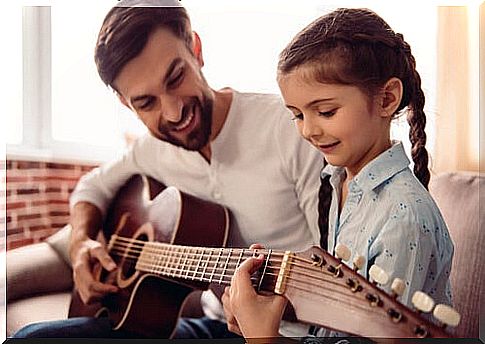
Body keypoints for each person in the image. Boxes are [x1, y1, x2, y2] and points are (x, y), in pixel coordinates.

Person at [12, 0, 324, 339]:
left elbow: (333, 269)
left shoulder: (292, 127)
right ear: (125, 103)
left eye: (176, 77)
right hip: (211, 328)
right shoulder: (151, 150)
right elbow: (91, 187)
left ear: (196, 49)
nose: (174, 113)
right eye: (146, 103)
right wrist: (80, 244)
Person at [222, 7, 454, 340]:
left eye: (326, 111)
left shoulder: (404, 220)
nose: (308, 131)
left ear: (387, 99)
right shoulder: (340, 181)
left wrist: (262, 336)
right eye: (298, 115)